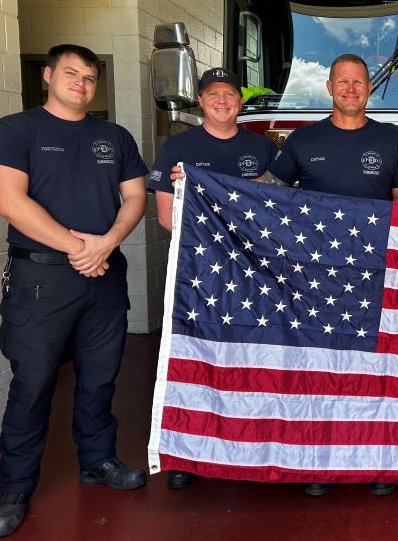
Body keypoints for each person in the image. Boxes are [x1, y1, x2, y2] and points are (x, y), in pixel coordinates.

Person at [0, 44, 149, 537]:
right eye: (70, 73)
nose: (80, 83)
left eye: (88, 77)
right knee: (33, 383)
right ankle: (14, 488)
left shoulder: (115, 136)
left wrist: (107, 243)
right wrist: (77, 248)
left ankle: (98, 461)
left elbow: (135, 197)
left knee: (100, 377)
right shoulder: (16, 131)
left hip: (104, 275)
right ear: (47, 76)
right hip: (42, 279)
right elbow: (9, 201)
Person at [267, 53, 398, 497]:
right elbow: (266, 191)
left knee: (377, 365)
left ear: (369, 89)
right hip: (316, 279)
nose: (351, 89)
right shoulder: (301, 140)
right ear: (329, 88)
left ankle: (375, 458)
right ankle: (321, 459)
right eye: (342, 82)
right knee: (321, 366)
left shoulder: (391, 141)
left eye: (359, 82)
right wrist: (199, 184)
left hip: (375, 274)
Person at [148, 66, 277, 489]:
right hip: (200, 273)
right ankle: (188, 453)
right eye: (213, 94)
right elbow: (168, 218)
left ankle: (255, 440)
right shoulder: (176, 148)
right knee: (196, 356)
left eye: (230, 94)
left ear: (241, 102)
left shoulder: (264, 149)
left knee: (254, 354)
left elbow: (281, 207)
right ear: (200, 101)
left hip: (256, 272)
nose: (222, 101)